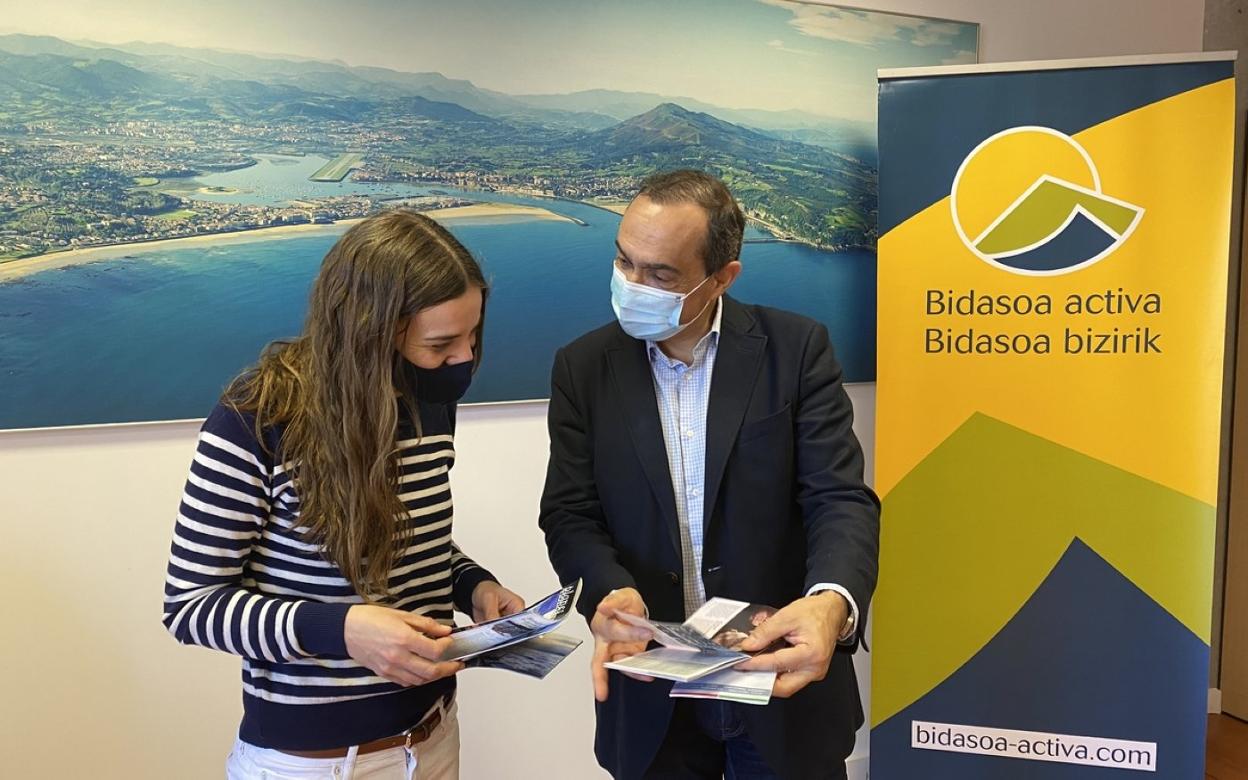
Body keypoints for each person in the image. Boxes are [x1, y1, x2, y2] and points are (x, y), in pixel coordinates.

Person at [539, 170, 880, 779]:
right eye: (624, 263)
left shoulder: (796, 349)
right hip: (652, 688)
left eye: (661, 274)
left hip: (778, 685)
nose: (633, 285)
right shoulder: (583, 367)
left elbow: (839, 498)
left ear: (722, 277)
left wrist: (832, 601)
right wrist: (607, 589)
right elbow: (570, 512)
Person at [162, 210, 524, 779]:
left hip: (432, 740)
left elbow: (411, 544)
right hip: (310, 764)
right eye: (442, 343)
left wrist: (473, 586)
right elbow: (191, 607)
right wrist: (343, 629)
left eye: (473, 337)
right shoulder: (256, 421)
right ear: (369, 332)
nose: (463, 360)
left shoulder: (427, 403)